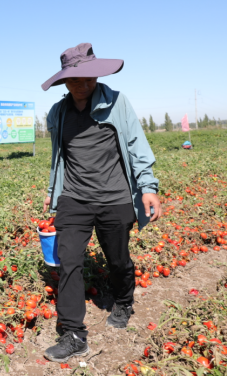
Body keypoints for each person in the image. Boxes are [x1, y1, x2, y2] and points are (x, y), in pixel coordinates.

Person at [40, 43, 162, 363]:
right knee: (68, 262)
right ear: (65, 82)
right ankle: (73, 335)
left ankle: (123, 300)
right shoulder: (59, 113)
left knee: (118, 260)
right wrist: (53, 191)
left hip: (115, 198)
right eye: (77, 79)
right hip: (74, 198)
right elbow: (59, 157)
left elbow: (136, 144)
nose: (85, 84)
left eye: (89, 77)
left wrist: (147, 186)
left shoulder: (117, 103)